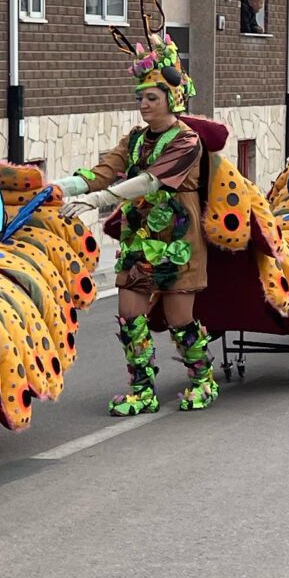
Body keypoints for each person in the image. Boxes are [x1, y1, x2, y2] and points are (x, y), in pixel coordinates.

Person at [63, 31, 217, 417]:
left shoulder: (187, 141)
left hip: (178, 242)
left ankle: (202, 380)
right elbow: (100, 173)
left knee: (181, 321)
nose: (144, 104)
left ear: (172, 98)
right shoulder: (133, 139)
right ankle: (142, 389)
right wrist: (53, 188)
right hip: (139, 239)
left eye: (152, 97)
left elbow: (149, 181)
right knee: (130, 317)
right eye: (141, 97)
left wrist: (96, 202)